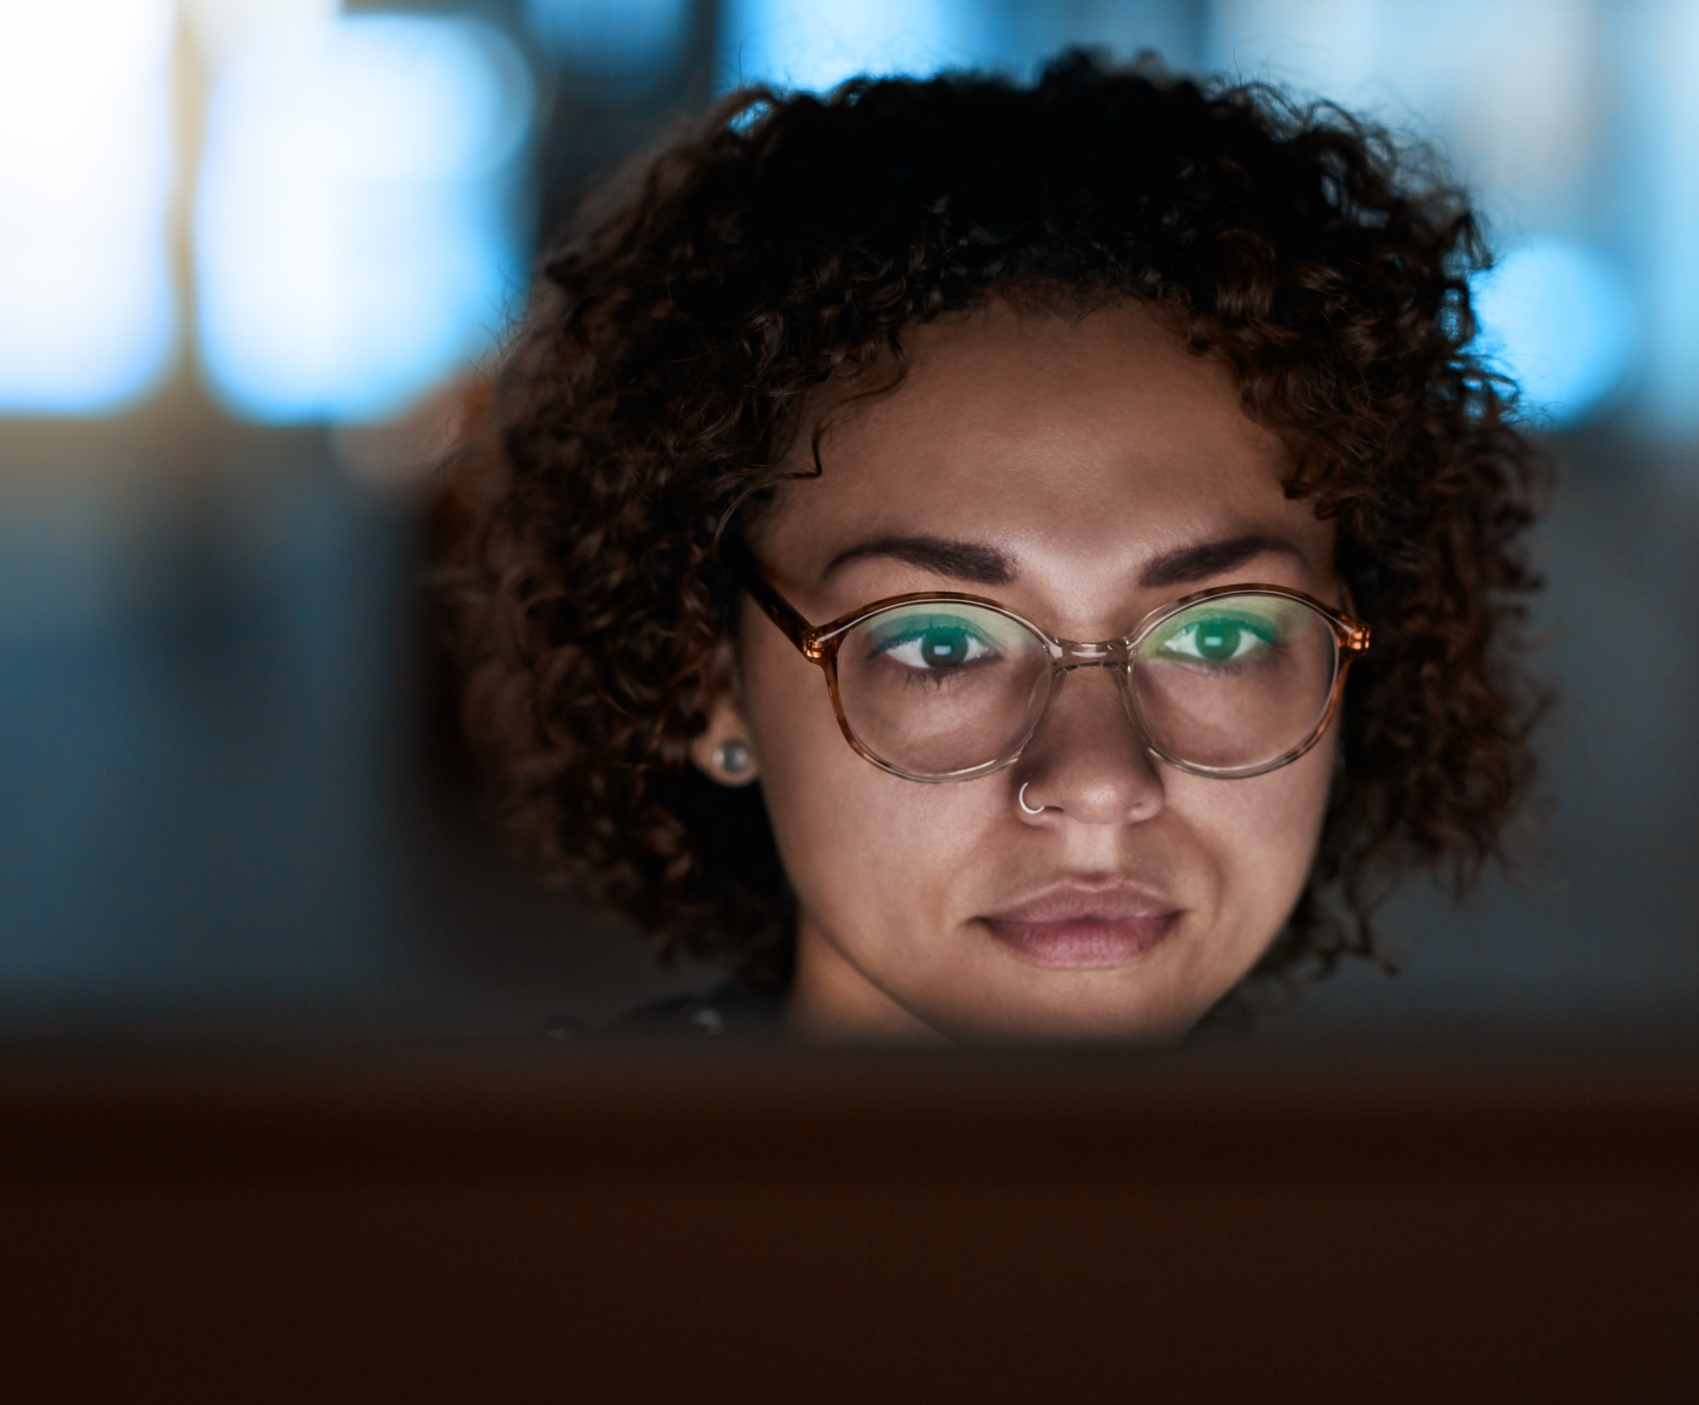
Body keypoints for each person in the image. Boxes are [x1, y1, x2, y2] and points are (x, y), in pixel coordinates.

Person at [443, 51, 1541, 1044]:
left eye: (1217, 633)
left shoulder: (1462, 1253)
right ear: (709, 678)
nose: (1100, 783)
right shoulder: (478, 1245)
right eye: (937, 645)